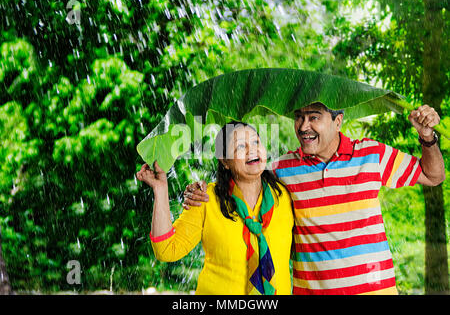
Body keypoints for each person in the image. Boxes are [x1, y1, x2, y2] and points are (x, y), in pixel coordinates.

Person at [183, 103, 445, 295]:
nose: (303, 126)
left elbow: (433, 176)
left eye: (314, 117)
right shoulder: (281, 170)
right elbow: (242, 175)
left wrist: (427, 137)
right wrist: (199, 190)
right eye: (299, 117)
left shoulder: (372, 154)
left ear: (338, 121)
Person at [136, 121, 294, 295]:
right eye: (241, 145)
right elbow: (166, 251)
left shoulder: (284, 197)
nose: (252, 150)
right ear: (225, 161)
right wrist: (160, 190)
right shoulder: (206, 198)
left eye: (256, 142)